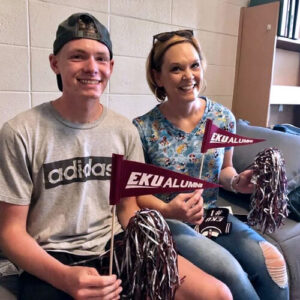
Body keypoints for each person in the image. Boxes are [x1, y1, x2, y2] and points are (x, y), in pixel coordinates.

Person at [0, 14, 232, 300]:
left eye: (101, 58)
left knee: (217, 294)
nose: (91, 68)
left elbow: (126, 209)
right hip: (51, 259)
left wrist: (153, 244)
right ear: (54, 63)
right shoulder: (20, 132)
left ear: (110, 66)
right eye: (77, 56)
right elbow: (10, 233)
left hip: (116, 246)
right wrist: (65, 279)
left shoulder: (124, 131)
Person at [133, 29, 289, 300]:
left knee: (273, 263)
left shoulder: (221, 117)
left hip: (211, 216)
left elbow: (224, 171)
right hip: (169, 221)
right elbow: (136, 195)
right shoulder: (142, 129)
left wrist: (237, 182)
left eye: (194, 65)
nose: (188, 76)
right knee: (229, 272)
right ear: (158, 77)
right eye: (176, 69)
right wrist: (170, 209)